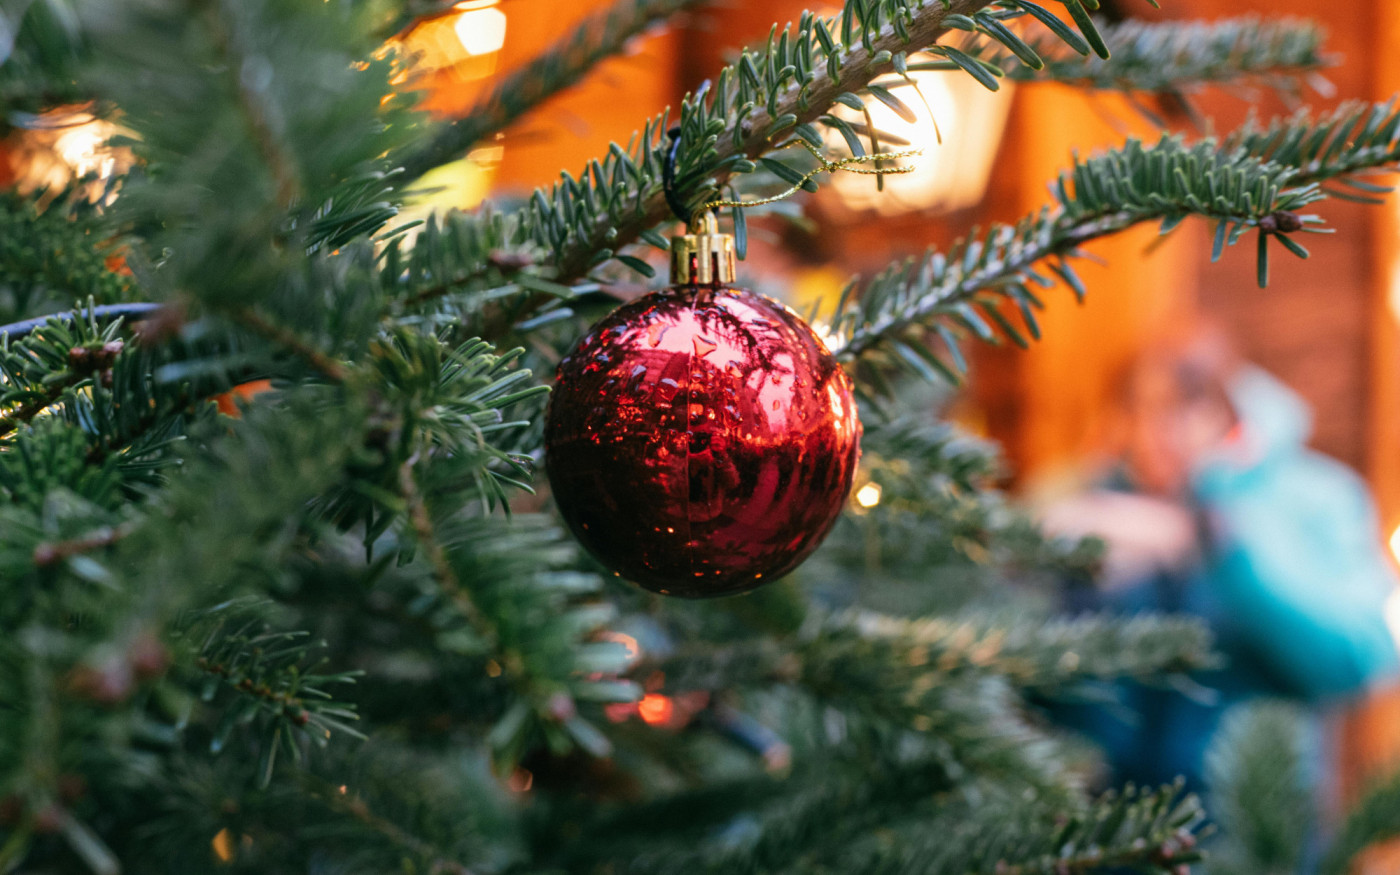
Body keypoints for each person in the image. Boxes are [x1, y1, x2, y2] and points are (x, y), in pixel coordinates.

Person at [1039, 327, 1400, 792]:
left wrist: (1220, 546)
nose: (1159, 433)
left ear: (1228, 413)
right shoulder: (1085, 502)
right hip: (1100, 823)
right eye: (1141, 409)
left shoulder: (1312, 499)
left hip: (1257, 824)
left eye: (1184, 408)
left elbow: (1359, 657)